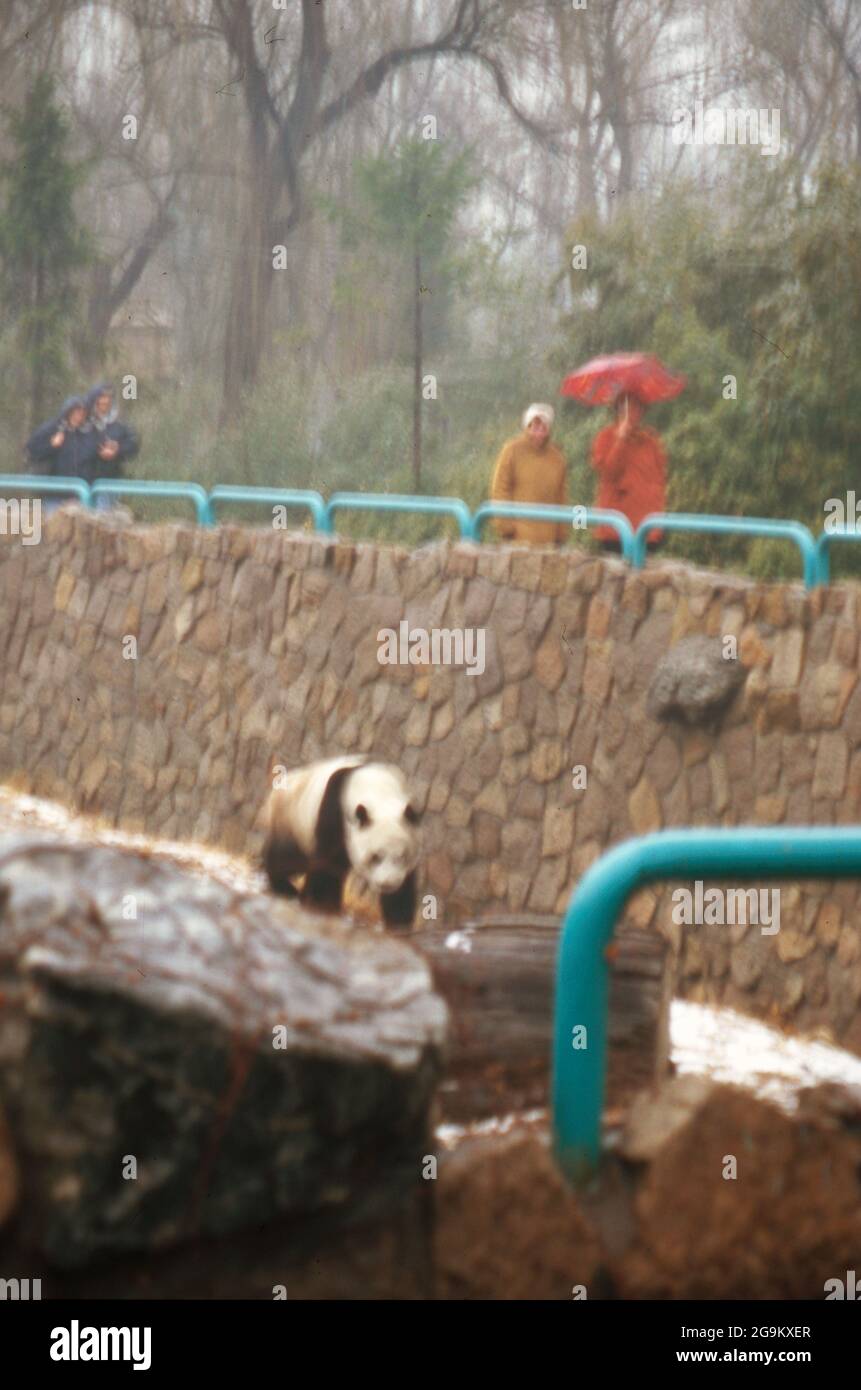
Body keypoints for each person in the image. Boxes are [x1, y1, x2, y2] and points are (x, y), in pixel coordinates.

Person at [590, 392, 666, 553]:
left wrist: (658, 520)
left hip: (647, 528)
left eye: (637, 407)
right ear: (618, 410)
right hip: (616, 530)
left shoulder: (650, 441)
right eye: (626, 407)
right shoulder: (605, 437)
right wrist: (620, 440)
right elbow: (609, 473)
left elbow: (659, 479)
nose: (632, 412)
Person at [489, 403, 569, 545]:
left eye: (543, 426)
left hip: (548, 543)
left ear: (549, 429)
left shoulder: (557, 458)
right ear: (527, 426)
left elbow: (562, 497)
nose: (539, 431)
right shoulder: (511, 450)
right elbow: (500, 489)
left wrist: (562, 534)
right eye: (534, 425)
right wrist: (505, 527)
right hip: (517, 541)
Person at [26, 395, 100, 482]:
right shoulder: (52, 428)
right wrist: (51, 445)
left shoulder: (90, 432)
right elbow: (31, 450)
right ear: (68, 412)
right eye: (76, 413)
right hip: (55, 488)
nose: (79, 417)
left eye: (83, 414)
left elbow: (95, 459)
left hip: (83, 489)